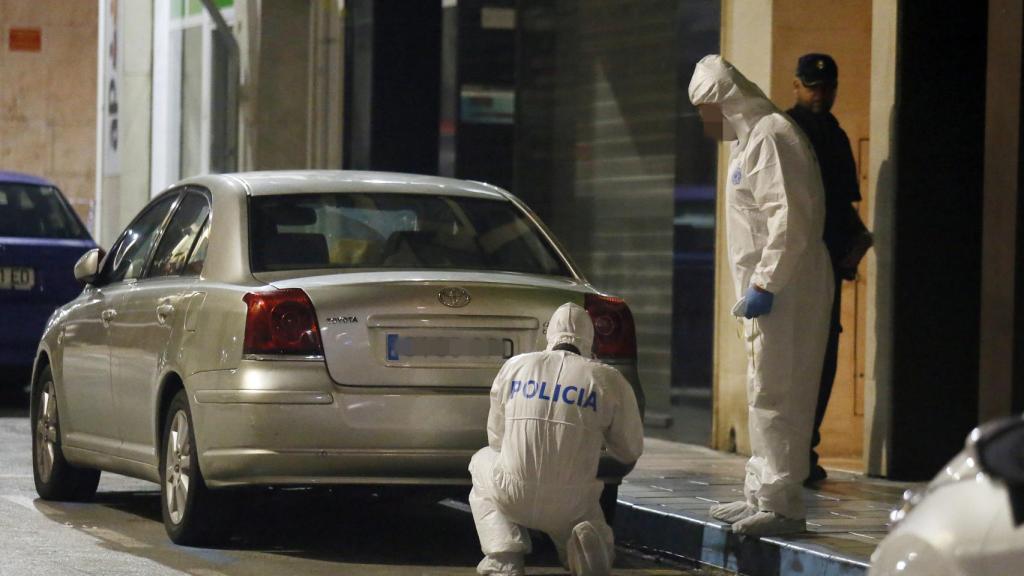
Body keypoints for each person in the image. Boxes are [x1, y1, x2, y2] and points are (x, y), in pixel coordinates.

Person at [689, 55, 833, 536]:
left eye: (706, 112)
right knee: (763, 391)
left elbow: (789, 221)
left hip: (784, 288)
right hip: (769, 290)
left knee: (779, 393)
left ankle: (783, 504)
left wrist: (765, 284)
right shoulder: (748, 141)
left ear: (725, 104)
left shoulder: (771, 136)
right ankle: (761, 492)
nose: (705, 124)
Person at [469, 302, 644, 576]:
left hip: (512, 494)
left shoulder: (516, 366)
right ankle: (584, 548)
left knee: (480, 460)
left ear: (550, 335)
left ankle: (504, 558)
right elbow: (629, 449)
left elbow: (496, 438)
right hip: (572, 501)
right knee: (579, 520)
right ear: (590, 339)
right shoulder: (608, 378)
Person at [786, 53, 873, 486]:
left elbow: (843, 204)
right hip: (795, 266)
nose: (819, 94)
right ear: (796, 86)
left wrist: (856, 244)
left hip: (829, 265)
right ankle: (788, 451)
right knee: (792, 361)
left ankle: (805, 450)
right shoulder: (785, 130)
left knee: (823, 360)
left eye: (826, 87)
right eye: (812, 86)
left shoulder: (836, 136)